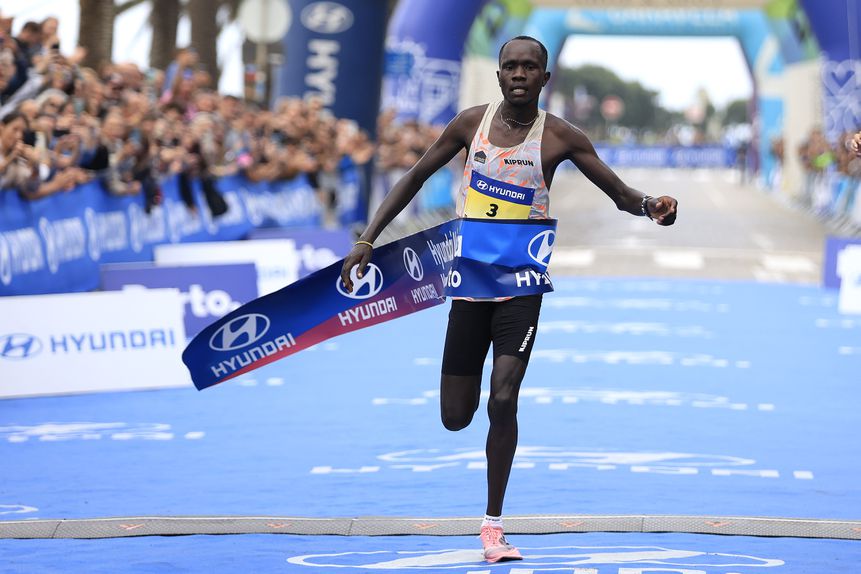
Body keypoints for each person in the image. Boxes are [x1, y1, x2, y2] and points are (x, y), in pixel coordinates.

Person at [339, 35, 678, 564]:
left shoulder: (561, 138)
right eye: (510, 66)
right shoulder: (467, 124)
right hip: (469, 284)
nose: (519, 74)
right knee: (456, 415)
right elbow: (414, 177)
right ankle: (474, 436)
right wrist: (368, 239)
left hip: (521, 285)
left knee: (504, 397)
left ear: (545, 79)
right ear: (499, 76)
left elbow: (619, 195)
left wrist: (652, 205)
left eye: (530, 68)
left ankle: (493, 525)